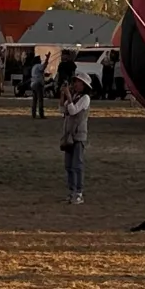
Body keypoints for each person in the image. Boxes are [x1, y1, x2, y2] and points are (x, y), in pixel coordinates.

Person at [59, 70, 90, 204]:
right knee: (69, 166)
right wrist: (63, 95)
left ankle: (78, 192)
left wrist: (68, 95)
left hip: (78, 136)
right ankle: (72, 191)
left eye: (78, 82)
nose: (75, 84)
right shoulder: (76, 96)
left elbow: (73, 110)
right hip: (69, 135)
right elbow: (62, 110)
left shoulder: (85, 98)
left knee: (77, 165)